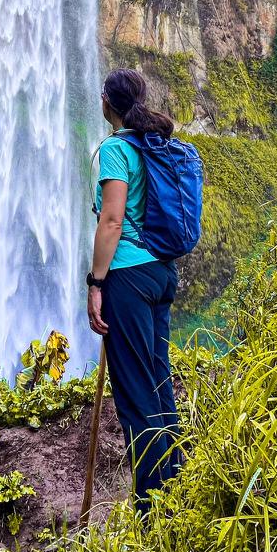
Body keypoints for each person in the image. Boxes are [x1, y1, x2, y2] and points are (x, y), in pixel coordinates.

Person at [87, 67, 181, 512]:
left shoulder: (114, 149)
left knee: (136, 394)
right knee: (159, 381)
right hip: (162, 274)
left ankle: (152, 511)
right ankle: (178, 487)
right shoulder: (156, 146)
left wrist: (96, 282)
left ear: (108, 101)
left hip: (128, 275)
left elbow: (111, 220)